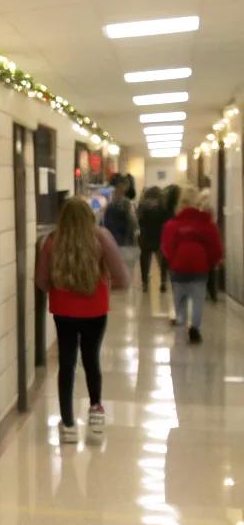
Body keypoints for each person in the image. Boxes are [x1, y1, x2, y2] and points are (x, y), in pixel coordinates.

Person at [36, 196, 130, 443]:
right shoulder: (101, 237)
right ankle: (96, 413)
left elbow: (41, 281)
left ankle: (68, 424)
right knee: (91, 360)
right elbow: (123, 279)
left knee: (66, 364)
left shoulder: (51, 241)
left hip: (63, 311)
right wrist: (104, 286)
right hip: (95, 311)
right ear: (89, 215)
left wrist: (61, 288)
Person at [161, 183, 223, 344]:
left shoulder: (172, 225)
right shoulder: (207, 225)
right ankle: (195, 327)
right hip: (199, 270)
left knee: (179, 298)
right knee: (198, 299)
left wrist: (174, 261)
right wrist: (211, 264)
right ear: (198, 203)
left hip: (178, 269)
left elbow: (167, 248)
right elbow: (215, 248)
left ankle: (181, 321)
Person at [103, 175, 138, 283]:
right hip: (122, 241)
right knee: (125, 270)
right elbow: (132, 222)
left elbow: (105, 221)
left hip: (116, 240)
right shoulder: (125, 203)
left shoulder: (110, 202)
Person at [137, 185, 166, 291]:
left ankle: (145, 283)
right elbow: (165, 222)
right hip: (159, 236)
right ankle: (163, 282)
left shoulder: (143, 208)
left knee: (145, 260)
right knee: (162, 261)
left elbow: (139, 221)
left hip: (146, 236)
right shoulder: (163, 207)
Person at [198, 188, 220, 303]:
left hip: (203, 240)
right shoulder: (211, 208)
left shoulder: (200, 209)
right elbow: (214, 221)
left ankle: (206, 291)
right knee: (212, 268)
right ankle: (213, 293)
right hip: (210, 238)